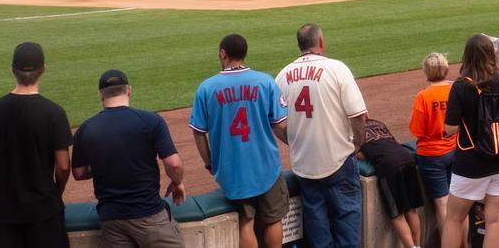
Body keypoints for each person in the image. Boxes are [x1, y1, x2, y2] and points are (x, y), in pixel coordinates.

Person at [0, 42, 72, 248]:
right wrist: (54, 192)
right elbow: (63, 166)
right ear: (43, 70)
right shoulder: (54, 113)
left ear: (12, 70)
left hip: (4, 211)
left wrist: (8, 183)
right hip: (45, 212)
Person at [190, 34, 288, 248]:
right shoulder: (265, 82)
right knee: (273, 220)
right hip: (266, 166)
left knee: (246, 222)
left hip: (232, 169)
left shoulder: (207, 88)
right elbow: (280, 125)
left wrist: (210, 162)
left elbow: (198, 133)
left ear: (222, 53)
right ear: (245, 53)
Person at [275, 24, 368, 248]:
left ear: (300, 45)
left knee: (317, 231)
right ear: (321, 42)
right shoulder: (336, 68)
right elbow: (358, 116)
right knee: (347, 224)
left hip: (303, 166)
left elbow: (276, 123)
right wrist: (357, 143)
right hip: (338, 160)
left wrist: (293, 141)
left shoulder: (282, 75)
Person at [74, 70, 186, 248]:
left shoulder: (85, 129)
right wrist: (177, 181)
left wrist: (107, 163)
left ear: (101, 95)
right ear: (128, 90)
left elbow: (79, 173)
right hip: (148, 214)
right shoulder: (151, 121)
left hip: (111, 220)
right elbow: (173, 163)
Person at [441, 35, 499, 248]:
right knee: (495, 220)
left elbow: (450, 129)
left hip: (471, 162)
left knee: (454, 218)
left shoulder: (461, 86)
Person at [408, 53, 456, 237]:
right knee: (457, 203)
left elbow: (417, 131)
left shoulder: (423, 96)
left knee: (442, 203)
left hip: (432, 154)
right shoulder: (454, 90)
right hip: (454, 149)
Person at [358, 118, 424, 248]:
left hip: (389, 166)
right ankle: (418, 245)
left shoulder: (352, 129)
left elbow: (358, 154)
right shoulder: (378, 122)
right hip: (407, 158)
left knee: (397, 215)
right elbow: (392, 140)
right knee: (411, 210)